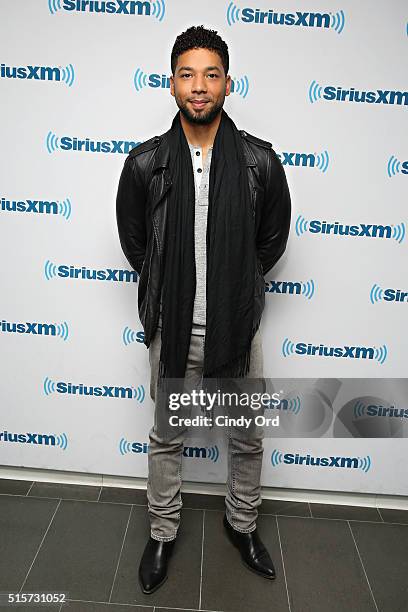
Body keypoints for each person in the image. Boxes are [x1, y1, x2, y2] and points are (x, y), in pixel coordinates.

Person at [116, 25, 291, 594]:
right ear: (171, 86)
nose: (199, 86)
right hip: (173, 325)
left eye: (210, 75)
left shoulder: (259, 163)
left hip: (237, 328)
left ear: (227, 84)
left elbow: (270, 242)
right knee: (167, 435)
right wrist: (172, 292)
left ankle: (242, 524)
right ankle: (163, 531)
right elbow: (137, 242)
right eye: (187, 75)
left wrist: (236, 291)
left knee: (247, 437)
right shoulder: (147, 165)